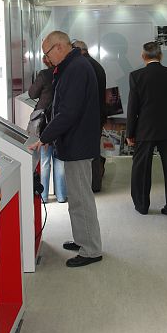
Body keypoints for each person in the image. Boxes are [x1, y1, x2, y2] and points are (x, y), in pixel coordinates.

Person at [29, 31, 103, 267]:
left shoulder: (77, 68)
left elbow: (68, 112)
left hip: (78, 143)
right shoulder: (72, 66)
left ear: (60, 47)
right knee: (76, 197)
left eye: (47, 53)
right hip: (74, 141)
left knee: (81, 198)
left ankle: (91, 249)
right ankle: (83, 238)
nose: (47, 59)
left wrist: (45, 136)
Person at [126, 41, 167, 218]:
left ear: (143, 56)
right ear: (160, 56)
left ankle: (142, 205)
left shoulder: (136, 76)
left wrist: (130, 133)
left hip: (144, 130)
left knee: (141, 169)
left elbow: (133, 107)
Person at [28, 54, 67, 202]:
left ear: (45, 61)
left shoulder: (44, 74)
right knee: (60, 160)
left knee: (44, 162)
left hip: (43, 122)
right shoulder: (66, 73)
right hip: (60, 119)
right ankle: (62, 196)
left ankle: (43, 196)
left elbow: (32, 93)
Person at [71, 39, 107, 192]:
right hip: (97, 115)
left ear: (78, 50)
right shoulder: (96, 65)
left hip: (87, 117)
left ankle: (91, 185)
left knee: (87, 153)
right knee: (94, 150)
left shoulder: (82, 66)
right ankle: (95, 183)